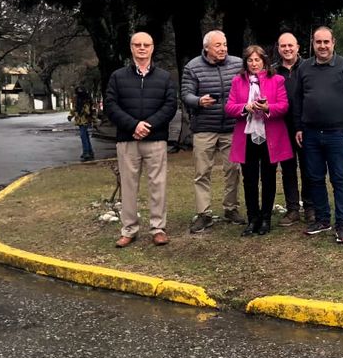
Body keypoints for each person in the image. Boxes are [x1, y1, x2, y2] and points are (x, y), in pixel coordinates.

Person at [103, 32, 177, 248]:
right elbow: (111, 105)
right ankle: (129, 229)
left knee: (158, 184)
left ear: (152, 48)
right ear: (131, 48)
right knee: (128, 186)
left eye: (146, 44)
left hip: (155, 139)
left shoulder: (164, 77)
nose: (142, 48)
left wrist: (148, 126)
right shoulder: (118, 77)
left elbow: (170, 105)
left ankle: (158, 228)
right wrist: (133, 125)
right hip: (127, 139)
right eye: (138, 45)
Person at [295, 26, 343, 245]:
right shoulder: (304, 67)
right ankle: (323, 220)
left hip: (339, 133)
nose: (322, 46)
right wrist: (298, 127)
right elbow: (297, 100)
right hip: (311, 133)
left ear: (333, 43)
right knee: (315, 178)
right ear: (312, 44)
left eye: (326, 42)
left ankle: (342, 225)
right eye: (318, 42)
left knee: (340, 179)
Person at [225, 45, 293, 236]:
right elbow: (229, 107)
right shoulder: (238, 81)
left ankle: (266, 218)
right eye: (250, 60)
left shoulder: (277, 80)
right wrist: (246, 107)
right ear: (245, 63)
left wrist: (267, 107)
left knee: (269, 178)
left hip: (269, 136)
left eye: (257, 60)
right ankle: (252, 218)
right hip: (246, 137)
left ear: (264, 61)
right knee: (249, 179)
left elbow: (283, 106)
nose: (254, 64)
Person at [181, 28, 244, 233]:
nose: (223, 49)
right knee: (202, 172)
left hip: (231, 127)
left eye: (225, 45)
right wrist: (199, 101)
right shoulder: (193, 66)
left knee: (233, 169)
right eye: (218, 45)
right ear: (206, 47)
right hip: (204, 127)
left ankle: (231, 208)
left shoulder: (237, 64)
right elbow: (186, 94)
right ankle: (204, 214)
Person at [272, 30, 313, 226]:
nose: (287, 49)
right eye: (283, 46)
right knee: (288, 168)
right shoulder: (271, 71)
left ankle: (310, 207)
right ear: (278, 49)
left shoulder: (309, 67)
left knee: (308, 168)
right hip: (281, 127)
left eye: (290, 45)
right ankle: (292, 209)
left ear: (298, 47)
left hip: (305, 126)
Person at [68, 86, 96, 162]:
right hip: (80, 120)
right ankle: (89, 151)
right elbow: (75, 108)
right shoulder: (78, 99)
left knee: (83, 136)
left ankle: (86, 152)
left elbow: (91, 110)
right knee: (85, 136)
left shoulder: (87, 100)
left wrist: (93, 120)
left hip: (85, 120)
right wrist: (71, 115)